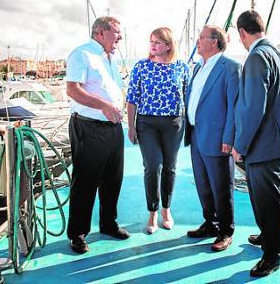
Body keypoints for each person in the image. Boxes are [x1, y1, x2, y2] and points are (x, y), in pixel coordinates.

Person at [231, 10, 280, 277]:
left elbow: (252, 107)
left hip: (263, 143)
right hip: (273, 138)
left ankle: (272, 255)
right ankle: (268, 236)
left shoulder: (257, 57)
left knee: (269, 200)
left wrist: (241, 145)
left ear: (242, 33)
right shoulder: (275, 53)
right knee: (266, 198)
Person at [65, 16, 130, 255]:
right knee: (86, 181)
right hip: (89, 127)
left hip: (112, 128)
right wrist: (103, 105)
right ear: (101, 32)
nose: (120, 38)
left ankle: (108, 223)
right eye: (116, 33)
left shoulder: (109, 57)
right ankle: (78, 234)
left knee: (113, 178)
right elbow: (73, 89)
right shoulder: (82, 54)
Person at [126, 27, 189, 234]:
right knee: (153, 167)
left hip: (174, 123)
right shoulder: (141, 67)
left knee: (170, 168)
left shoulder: (182, 67)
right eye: (151, 41)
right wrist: (131, 126)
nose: (153, 46)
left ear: (169, 45)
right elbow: (132, 99)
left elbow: (188, 99)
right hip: (147, 124)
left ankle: (166, 210)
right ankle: (152, 212)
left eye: (158, 42)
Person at [184, 25, 241, 252]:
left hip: (218, 138)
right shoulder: (199, 67)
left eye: (201, 38)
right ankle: (210, 223)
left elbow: (234, 108)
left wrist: (230, 137)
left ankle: (226, 231)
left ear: (215, 42)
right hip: (197, 134)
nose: (197, 41)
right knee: (203, 184)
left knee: (221, 186)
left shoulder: (231, 68)